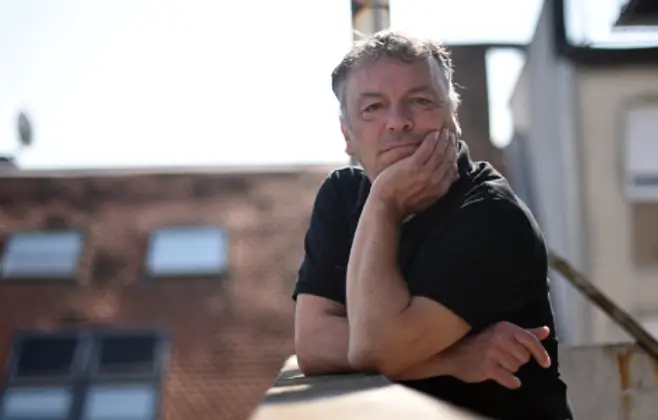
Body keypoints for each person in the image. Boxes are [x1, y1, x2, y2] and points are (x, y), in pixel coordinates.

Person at [292, 30, 573, 420]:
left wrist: (384, 201)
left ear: (453, 116)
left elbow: (375, 351)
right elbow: (311, 345)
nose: (398, 122)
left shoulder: (491, 214)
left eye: (420, 101)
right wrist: (454, 357)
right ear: (347, 135)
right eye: (373, 108)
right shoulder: (341, 196)